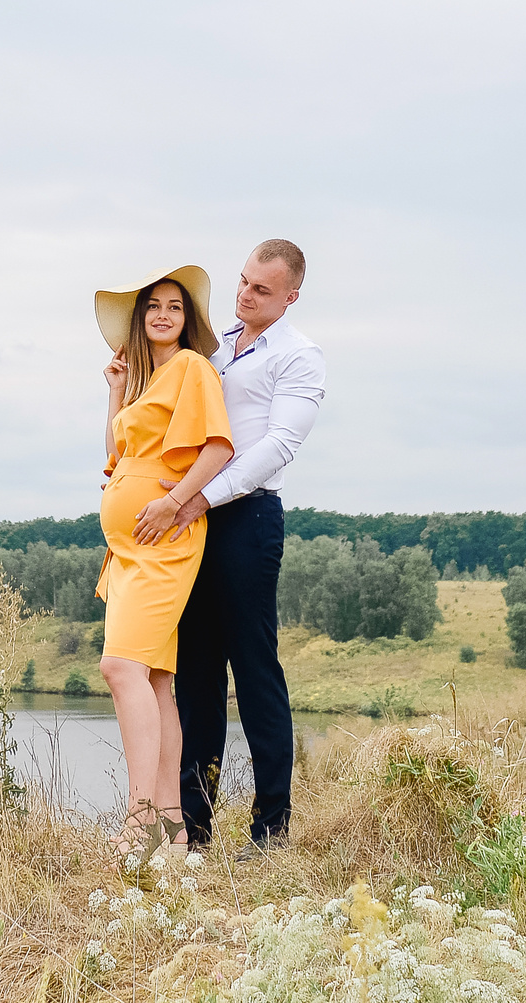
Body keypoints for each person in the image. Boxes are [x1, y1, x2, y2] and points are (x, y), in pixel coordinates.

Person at [137, 239, 323, 852]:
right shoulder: (211, 353)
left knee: (255, 671)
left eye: (261, 290)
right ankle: (194, 828)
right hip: (191, 520)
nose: (244, 296)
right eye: (242, 282)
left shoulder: (299, 357)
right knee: (193, 675)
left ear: (291, 296)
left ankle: (271, 830)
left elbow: (276, 447)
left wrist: (200, 498)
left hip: (247, 521)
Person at [91, 265, 235, 857]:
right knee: (154, 679)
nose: (163, 314)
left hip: (163, 539)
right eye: (152, 305)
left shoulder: (192, 369)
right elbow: (116, 458)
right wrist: (116, 394)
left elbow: (219, 447)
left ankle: (138, 817)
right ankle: (173, 830)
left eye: (174, 307)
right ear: (138, 317)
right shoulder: (146, 385)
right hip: (126, 548)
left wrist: (174, 503)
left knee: (120, 669)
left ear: (188, 318)